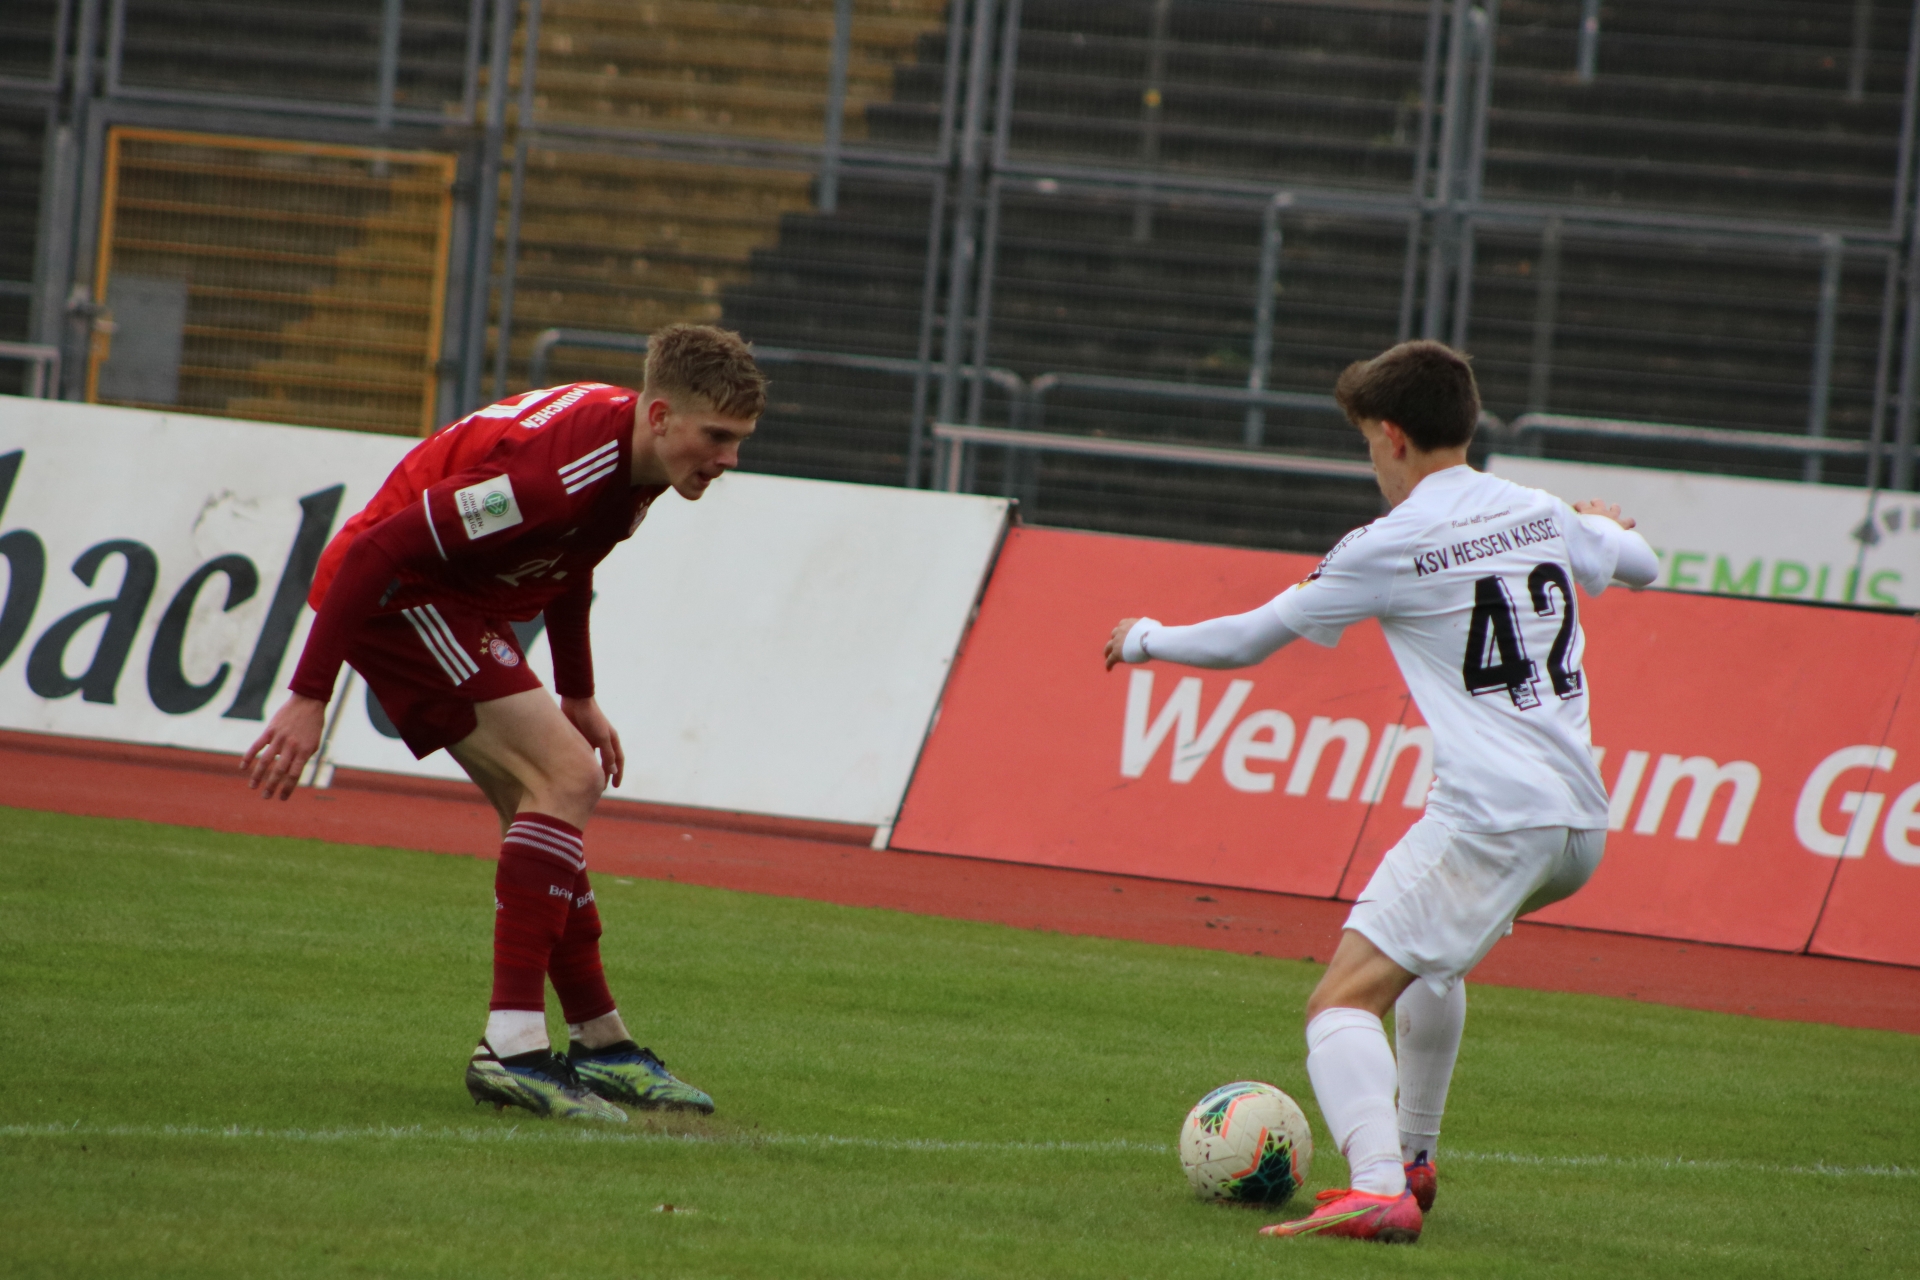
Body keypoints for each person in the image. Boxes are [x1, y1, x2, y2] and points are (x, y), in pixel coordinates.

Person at [1103, 340, 1658, 1243]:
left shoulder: (1392, 541)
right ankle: (1414, 1156)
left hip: (1491, 815)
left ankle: (1376, 1187)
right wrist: (1610, 526)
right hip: (1579, 824)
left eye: (1365, 440)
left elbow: (1247, 640)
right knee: (1432, 963)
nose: (1369, 460)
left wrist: (1145, 639)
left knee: (1341, 1004)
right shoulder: (1537, 508)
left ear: (1392, 435)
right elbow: (1645, 567)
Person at [241, 323, 767, 1123]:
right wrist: (310, 695)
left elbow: (569, 562)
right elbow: (380, 548)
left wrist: (577, 692)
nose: (729, 460)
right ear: (660, 415)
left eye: (738, 441)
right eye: (717, 438)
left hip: (457, 599)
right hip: (398, 595)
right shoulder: (553, 474)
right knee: (565, 779)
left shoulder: (639, 459)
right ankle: (512, 1049)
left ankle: (600, 1042)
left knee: (547, 809)